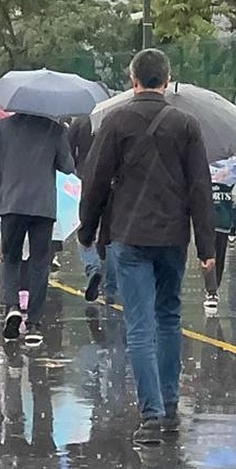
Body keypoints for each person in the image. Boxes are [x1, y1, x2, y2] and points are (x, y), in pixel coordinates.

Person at [79, 48, 215, 443]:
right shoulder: (186, 125)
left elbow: (96, 181)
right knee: (169, 317)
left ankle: (151, 415)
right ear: (168, 80)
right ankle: (170, 407)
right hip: (173, 236)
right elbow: (200, 188)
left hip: (129, 234)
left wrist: (87, 231)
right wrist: (206, 246)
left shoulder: (116, 121)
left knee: (139, 325)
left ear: (132, 80)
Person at [0, 103, 75, 346]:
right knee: (40, 263)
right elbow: (68, 166)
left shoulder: (2, 128)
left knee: (10, 258)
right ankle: (34, 323)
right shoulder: (54, 129)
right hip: (43, 206)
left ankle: (12, 305)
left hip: (11, 204)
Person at [69, 114, 116, 303]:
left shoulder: (80, 122)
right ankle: (110, 284)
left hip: (84, 181)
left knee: (84, 228)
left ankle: (93, 267)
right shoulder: (113, 121)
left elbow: (68, 152)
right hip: (111, 183)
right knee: (109, 233)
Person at [205, 180, 236, 312]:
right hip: (222, 223)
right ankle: (213, 289)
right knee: (217, 257)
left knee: (210, 256)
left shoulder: (204, 177)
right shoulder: (233, 182)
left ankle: (212, 290)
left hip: (210, 224)